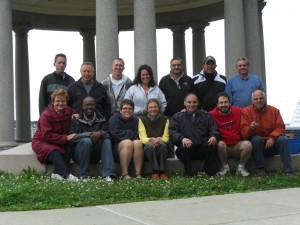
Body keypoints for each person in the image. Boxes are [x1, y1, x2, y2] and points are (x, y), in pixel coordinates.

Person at [240, 90, 294, 176]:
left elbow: (281, 127)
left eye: (261, 98)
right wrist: (251, 128)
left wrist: (272, 137)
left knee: (283, 139)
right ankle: (260, 169)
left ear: (264, 99)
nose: (258, 101)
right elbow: (243, 133)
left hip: (272, 145)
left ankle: (289, 170)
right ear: (252, 100)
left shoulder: (275, 111)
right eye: (256, 99)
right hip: (257, 147)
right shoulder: (246, 112)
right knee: (256, 139)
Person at [32, 89, 78, 181]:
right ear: (52, 102)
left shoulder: (69, 111)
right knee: (53, 150)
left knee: (70, 145)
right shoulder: (46, 115)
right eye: (57, 101)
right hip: (42, 140)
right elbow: (47, 136)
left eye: (63, 101)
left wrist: (75, 115)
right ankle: (67, 174)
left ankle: (56, 173)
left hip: (58, 140)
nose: (60, 103)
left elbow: (73, 112)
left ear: (66, 102)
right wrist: (65, 138)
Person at [169, 93, 220, 177]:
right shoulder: (177, 117)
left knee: (213, 145)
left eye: (194, 102)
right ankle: (189, 173)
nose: (191, 104)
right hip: (186, 149)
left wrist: (213, 136)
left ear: (198, 103)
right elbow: (172, 132)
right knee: (184, 148)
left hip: (202, 148)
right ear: (184, 103)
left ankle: (208, 172)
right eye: (189, 102)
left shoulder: (206, 116)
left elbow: (214, 129)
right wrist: (182, 139)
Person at [69, 96, 116, 181]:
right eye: (87, 105)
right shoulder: (76, 119)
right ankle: (84, 176)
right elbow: (72, 137)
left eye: (92, 105)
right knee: (87, 141)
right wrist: (90, 134)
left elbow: (109, 134)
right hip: (79, 154)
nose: (89, 107)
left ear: (95, 106)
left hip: (96, 153)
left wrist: (100, 133)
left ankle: (108, 175)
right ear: (83, 107)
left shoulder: (102, 119)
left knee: (107, 141)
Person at [159, 57, 195, 158]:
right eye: (174, 65)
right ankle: (171, 159)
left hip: (185, 115)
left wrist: (188, 109)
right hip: (169, 115)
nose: (176, 67)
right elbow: (160, 98)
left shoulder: (189, 80)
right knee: (170, 137)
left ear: (182, 66)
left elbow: (194, 97)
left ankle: (185, 157)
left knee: (185, 137)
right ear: (170, 67)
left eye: (178, 65)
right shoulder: (164, 80)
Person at [210, 92, 252, 177]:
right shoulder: (211, 115)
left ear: (230, 103)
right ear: (217, 105)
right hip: (224, 147)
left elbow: (250, 111)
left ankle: (241, 168)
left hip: (237, 145)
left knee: (248, 144)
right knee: (220, 144)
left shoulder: (239, 111)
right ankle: (225, 168)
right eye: (221, 103)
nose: (224, 104)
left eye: (226, 102)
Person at [109, 99, 144, 180]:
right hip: (117, 149)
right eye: (125, 108)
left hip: (133, 149)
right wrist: (130, 133)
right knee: (128, 143)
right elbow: (115, 135)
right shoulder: (113, 119)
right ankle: (124, 174)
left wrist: (125, 133)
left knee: (138, 142)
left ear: (133, 110)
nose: (127, 110)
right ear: (120, 110)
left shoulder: (136, 120)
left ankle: (138, 174)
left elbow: (138, 135)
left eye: (130, 109)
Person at [139, 99, 169, 179]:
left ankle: (162, 171)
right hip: (148, 143)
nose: (153, 109)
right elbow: (142, 137)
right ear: (147, 109)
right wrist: (151, 140)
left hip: (161, 142)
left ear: (159, 108)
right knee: (149, 146)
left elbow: (166, 137)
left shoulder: (165, 119)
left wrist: (160, 139)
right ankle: (155, 171)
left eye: (155, 107)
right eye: (150, 107)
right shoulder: (142, 120)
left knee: (162, 145)